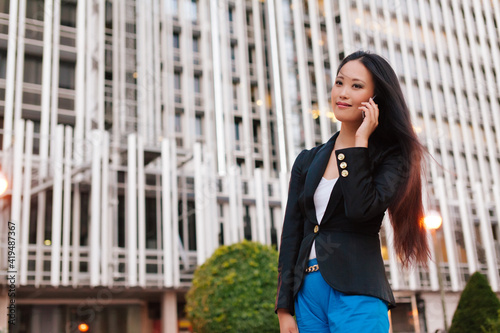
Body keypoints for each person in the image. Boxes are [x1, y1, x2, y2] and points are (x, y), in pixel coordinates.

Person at [275, 50, 430, 333]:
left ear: (375, 100)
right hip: (307, 295)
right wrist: (284, 307)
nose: (343, 93)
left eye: (356, 86)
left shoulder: (391, 157)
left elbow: (361, 210)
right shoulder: (307, 160)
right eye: (339, 82)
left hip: (358, 290)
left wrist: (359, 145)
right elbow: (291, 234)